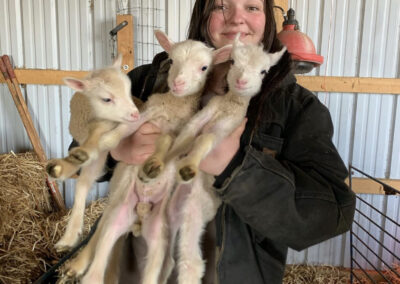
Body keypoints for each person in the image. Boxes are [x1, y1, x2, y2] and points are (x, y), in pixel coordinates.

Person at [91, 0, 356, 283]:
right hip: (135, 269)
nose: (236, 19)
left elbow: (332, 214)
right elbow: (79, 151)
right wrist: (114, 149)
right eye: (220, 6)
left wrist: (237, 169)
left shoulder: (295, 106)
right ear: (201, 15)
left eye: (251, 8)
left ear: (267, 19)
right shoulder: (144, 81)